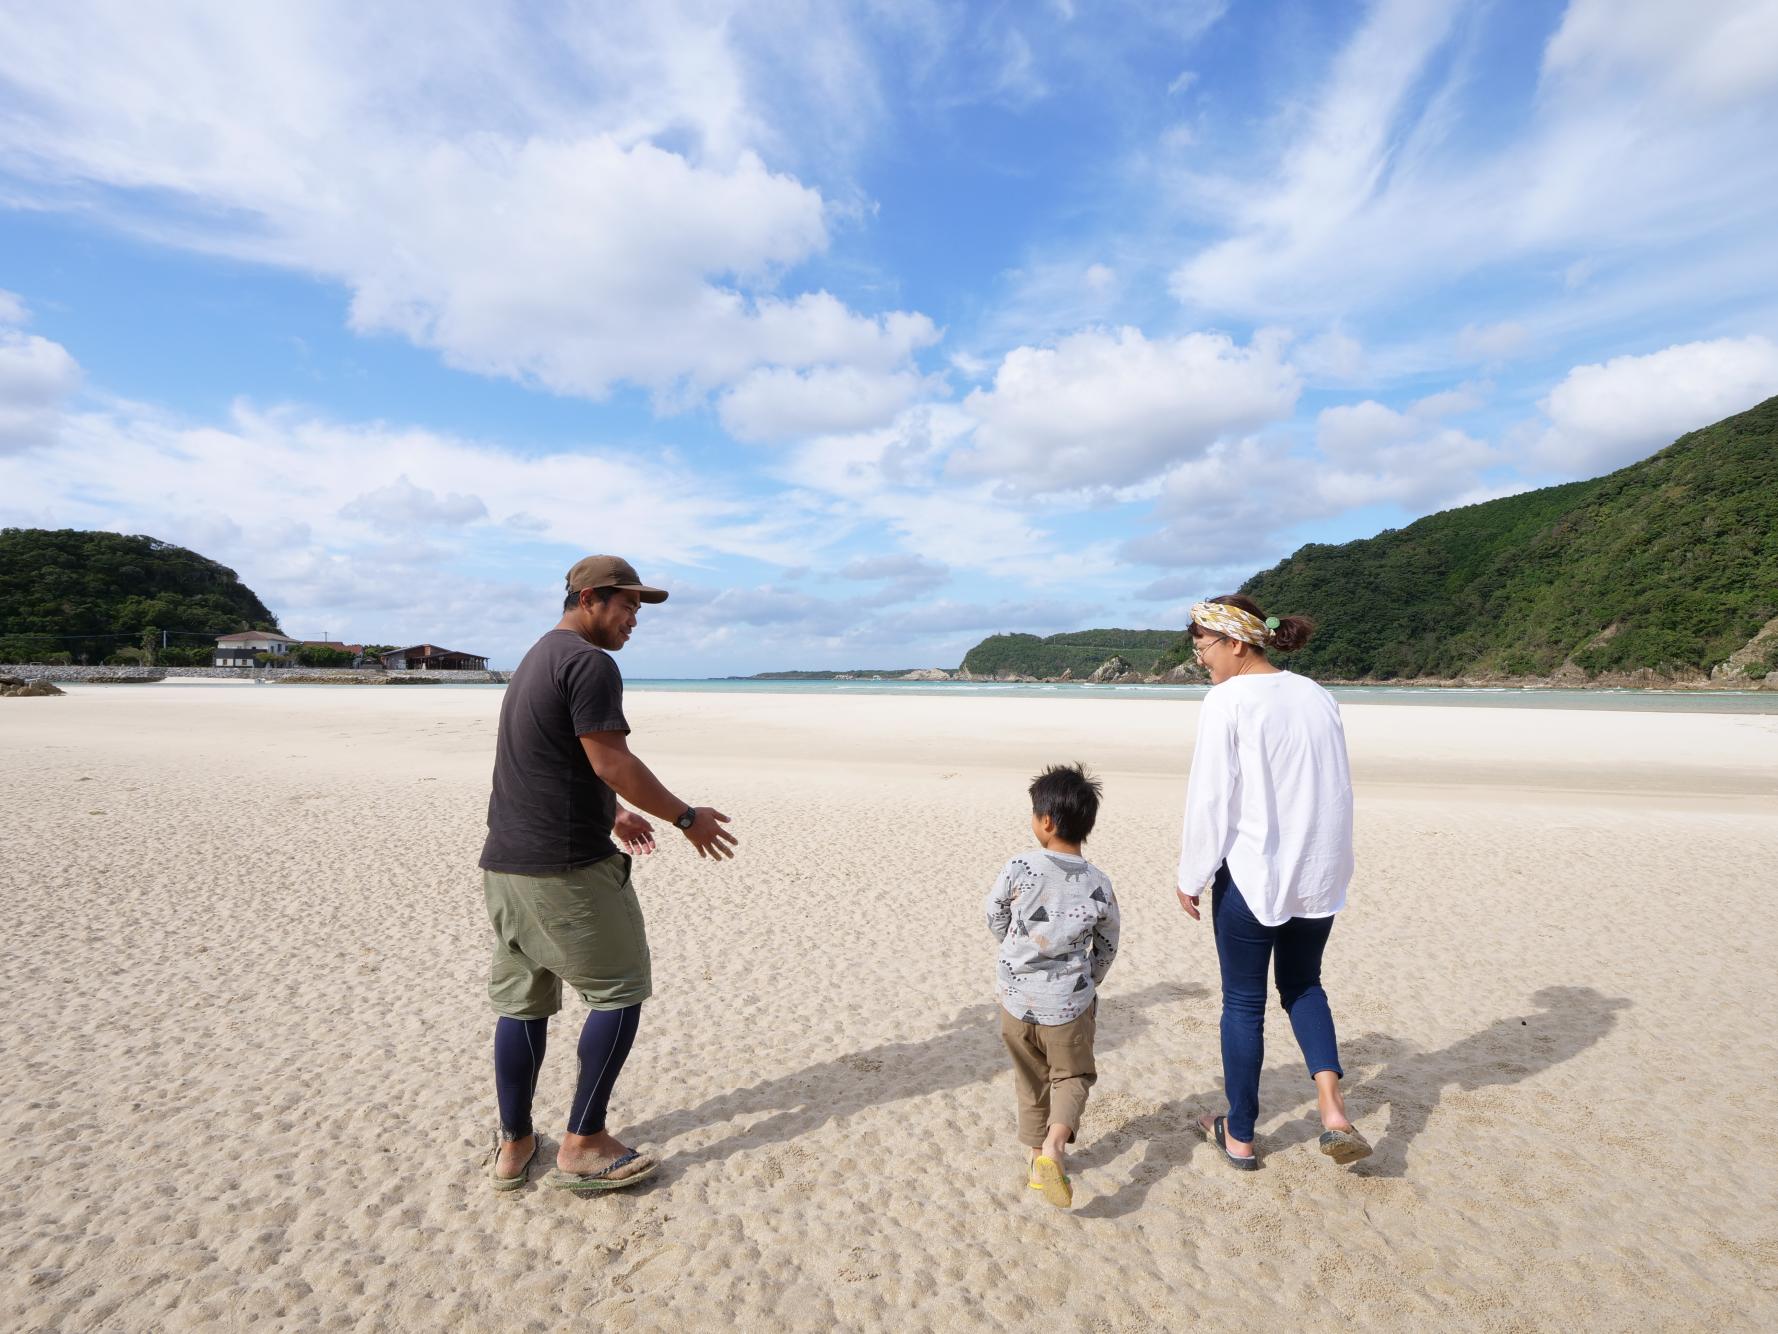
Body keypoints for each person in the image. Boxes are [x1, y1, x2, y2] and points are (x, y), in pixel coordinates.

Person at [479, 555, 739, 1194]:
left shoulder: (539, 656)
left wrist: (614, 813)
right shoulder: (591, 663)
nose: (633, 621)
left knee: (524, 1003)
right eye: (627, 607)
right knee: (620, 990)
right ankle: (584, 1142)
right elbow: (612, 760)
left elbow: (552, 760)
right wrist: (685, 816)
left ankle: (515, 1143)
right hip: (565, 869)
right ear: (590, 598)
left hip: (507, 864)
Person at [1175, 595, 1371, 1170]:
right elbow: (1335, 788)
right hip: (1318, 872)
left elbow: (1213, 798)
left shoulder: (1227, 701)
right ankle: (1332, 1110)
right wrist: (1329, 865)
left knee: (1243, 1002)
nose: (1201, 660)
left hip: (1254, 875)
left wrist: (1192, 874)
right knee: (1304, 985)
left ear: (1236, 642)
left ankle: (1238, 1135)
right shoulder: (1317, 695)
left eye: (1203, 647)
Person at [985, 764, 1120, 1209]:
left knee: (1031, 1079)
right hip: (1069, 1004)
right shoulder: (1098, 883)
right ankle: (1055, 1148)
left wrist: (1013, 949)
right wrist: (1089, 981)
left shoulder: (1020, 865)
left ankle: (1034, 1157)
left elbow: (995, 915)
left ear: (1046, 821)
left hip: (1015, 1000)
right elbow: (1107, 943)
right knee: (1072, 1076)